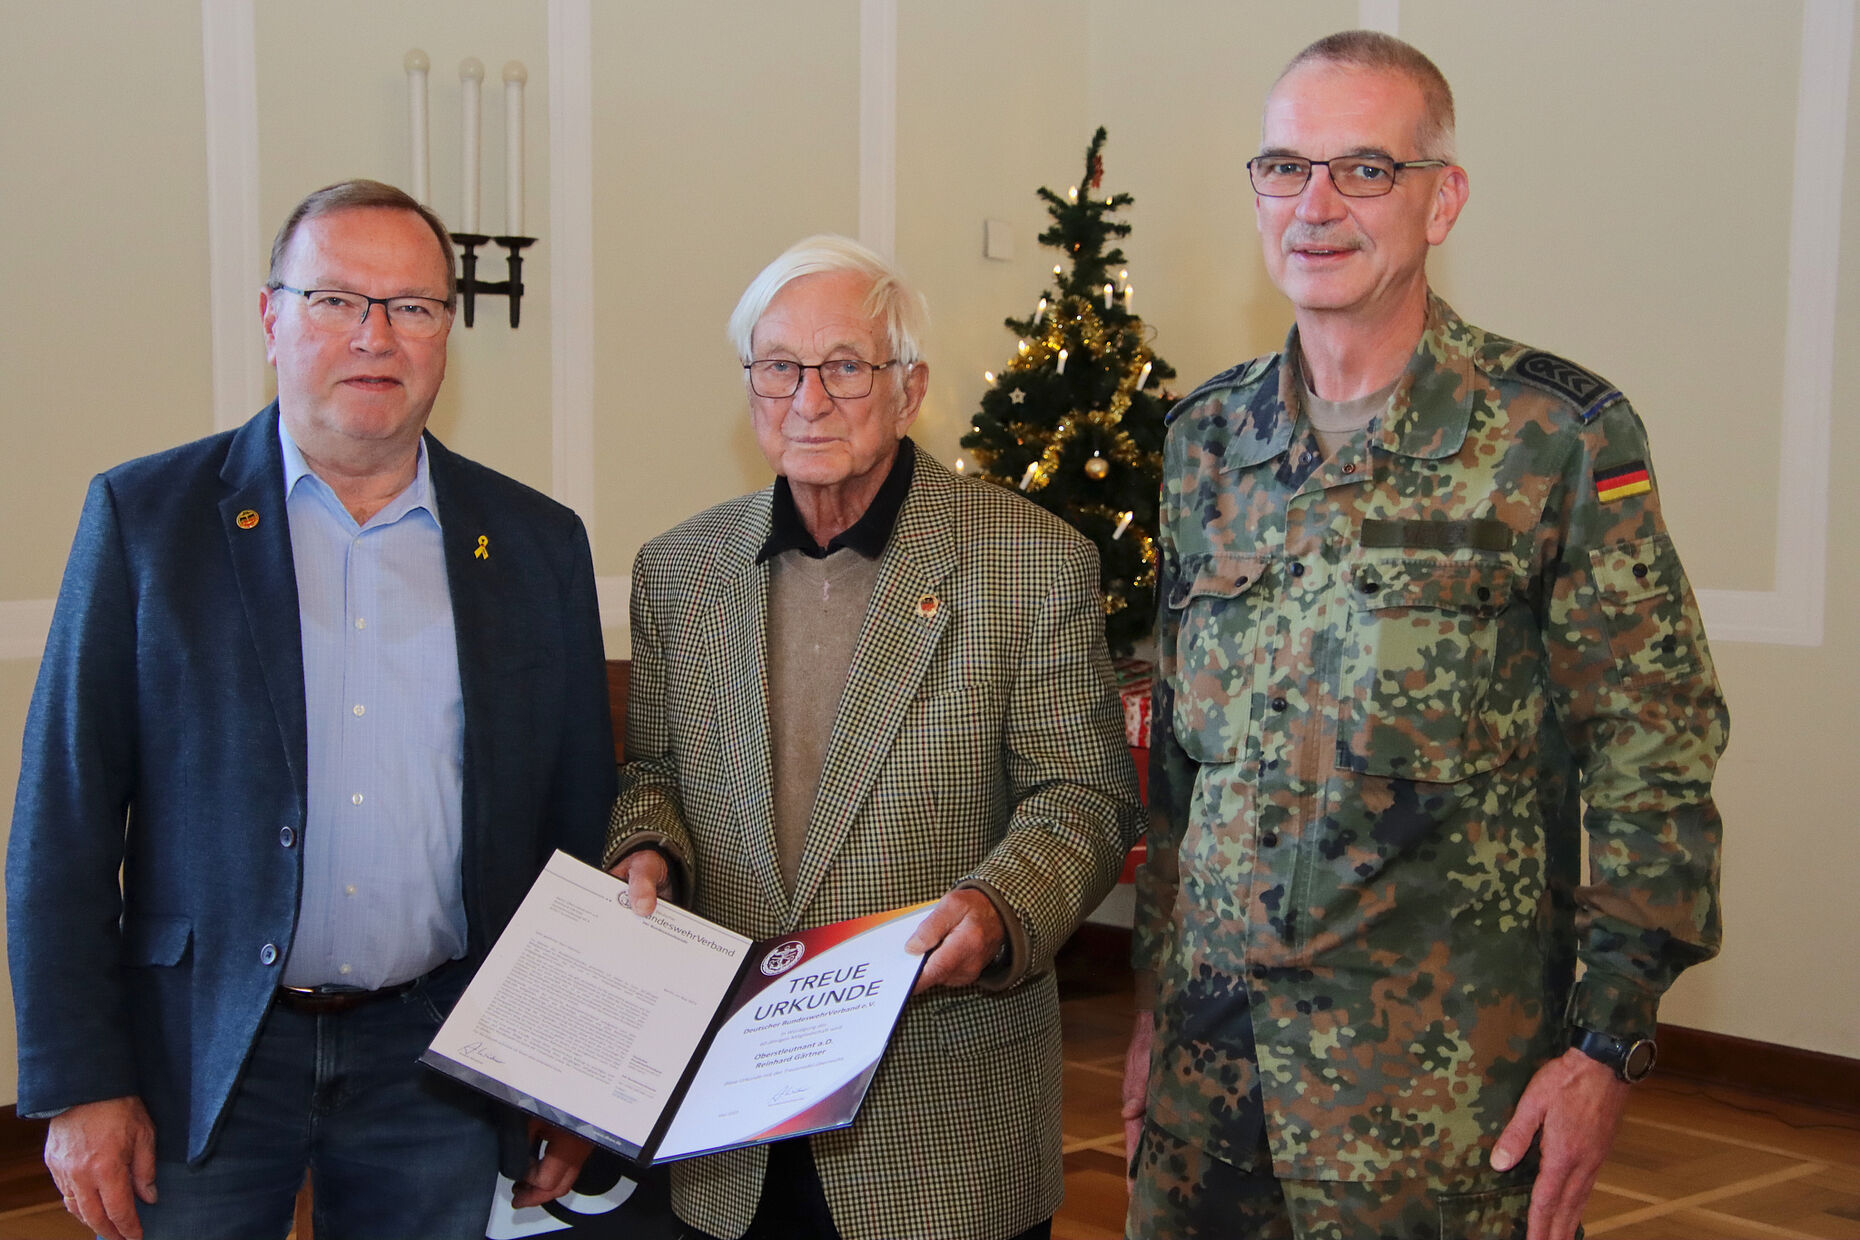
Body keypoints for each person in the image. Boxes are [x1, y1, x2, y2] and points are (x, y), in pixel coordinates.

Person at [1122, 31, 1727, 1240]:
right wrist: (1152, 1007)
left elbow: (1655, 752)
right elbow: (1183, 781)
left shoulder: (1554, 436)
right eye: (1286, 168)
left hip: (1436, 1113)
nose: (1318, 206)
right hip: (1211, 1098)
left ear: (1441, 198)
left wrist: (1608, 1043)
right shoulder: (1204, 443)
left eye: (1365, 170)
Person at [7, 179, 617, 1240]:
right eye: (336, 300)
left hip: (434, 1054)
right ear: (271, 318)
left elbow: (575, 823)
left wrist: (570, 1076)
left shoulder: (534, 543)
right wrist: (77, 1081)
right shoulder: (148, 520)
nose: (375, 335)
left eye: (413, 306)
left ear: (446, 331)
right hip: (203, 1055)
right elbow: (62, 817)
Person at [606, 234, 1142, 1240]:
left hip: (936, 1125)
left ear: (910, 386)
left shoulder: (1029, 563)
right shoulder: (680, 569)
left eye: (846, 366)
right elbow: (656, 770)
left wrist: (997, 907)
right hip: (731, 1125)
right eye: (779, 367)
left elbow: (1085, 798)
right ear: (750, 384)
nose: (809, 399)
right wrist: (648, 848)